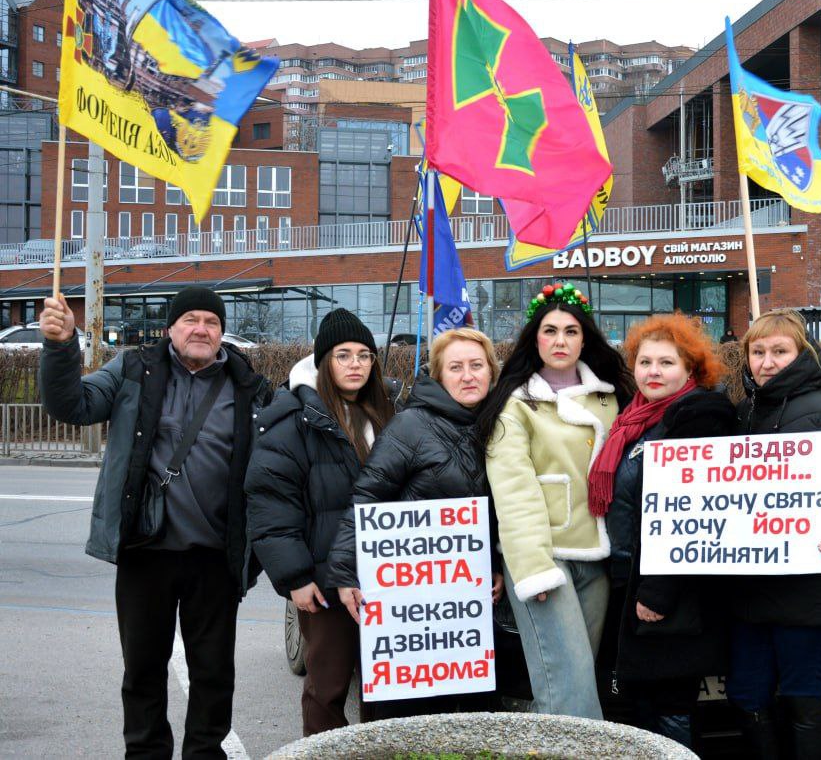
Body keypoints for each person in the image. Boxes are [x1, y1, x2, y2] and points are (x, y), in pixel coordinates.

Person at [38, 286, 272, 758]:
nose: (201, 329)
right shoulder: (132, 370)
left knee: (213, 674)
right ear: (171, 328)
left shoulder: (248, 386)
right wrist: (61, 347)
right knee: (143, 670)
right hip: (147, 552)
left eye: (211, 321)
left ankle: (205, 753)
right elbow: (73, 406)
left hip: (215, 557)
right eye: (191, 320)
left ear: (222, 332)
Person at [474, 282, 634, 719]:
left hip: (597, 555)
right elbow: (514, 492)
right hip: (545, 559)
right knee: (569, 687)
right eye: (549, 331)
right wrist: (535, 569)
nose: (560, 341)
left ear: (585, 338)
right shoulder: (516, 405)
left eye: (570, 331)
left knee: (574, 682)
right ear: (535, 338)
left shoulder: (611, 396)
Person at [327, 327, 504, 717]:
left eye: (477, 365)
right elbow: (367, 498)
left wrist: (497, 565)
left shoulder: (503, 424)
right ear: (438, 375)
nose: (468, 375)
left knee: (470, 719)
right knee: (407, 719)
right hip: (409, 607)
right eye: (455, 367)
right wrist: (343, 573)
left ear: (492, 371)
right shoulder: (410, 426)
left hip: (468, 603)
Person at [729, 308, 821, 760]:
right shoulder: (741, 415)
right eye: (758, 352)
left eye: (779, 351)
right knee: (747, 695)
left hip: (813, 586)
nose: (767, 361)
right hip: (750, 589)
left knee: (804, 696)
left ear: (801, 355)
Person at [245, 309, 395, 735]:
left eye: (365, 355)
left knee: (384, 687)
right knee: (327, 689)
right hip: (324, 580)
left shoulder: (387, 414)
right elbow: (272, 504)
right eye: (343, 355)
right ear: (323, 361)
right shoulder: (293, 419)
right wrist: (295, 576)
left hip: (384, 575)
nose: (355, 365)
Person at [594, 313, 736, 747]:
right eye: (645, 361)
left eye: (666, 363)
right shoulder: (631, 420)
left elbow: (692, 516)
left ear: (690, 369)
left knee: (670, 708)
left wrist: (659, 591)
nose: (653, 371)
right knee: (641, 707)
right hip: (629, 583)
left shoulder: (698, 418)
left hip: (670, 594)